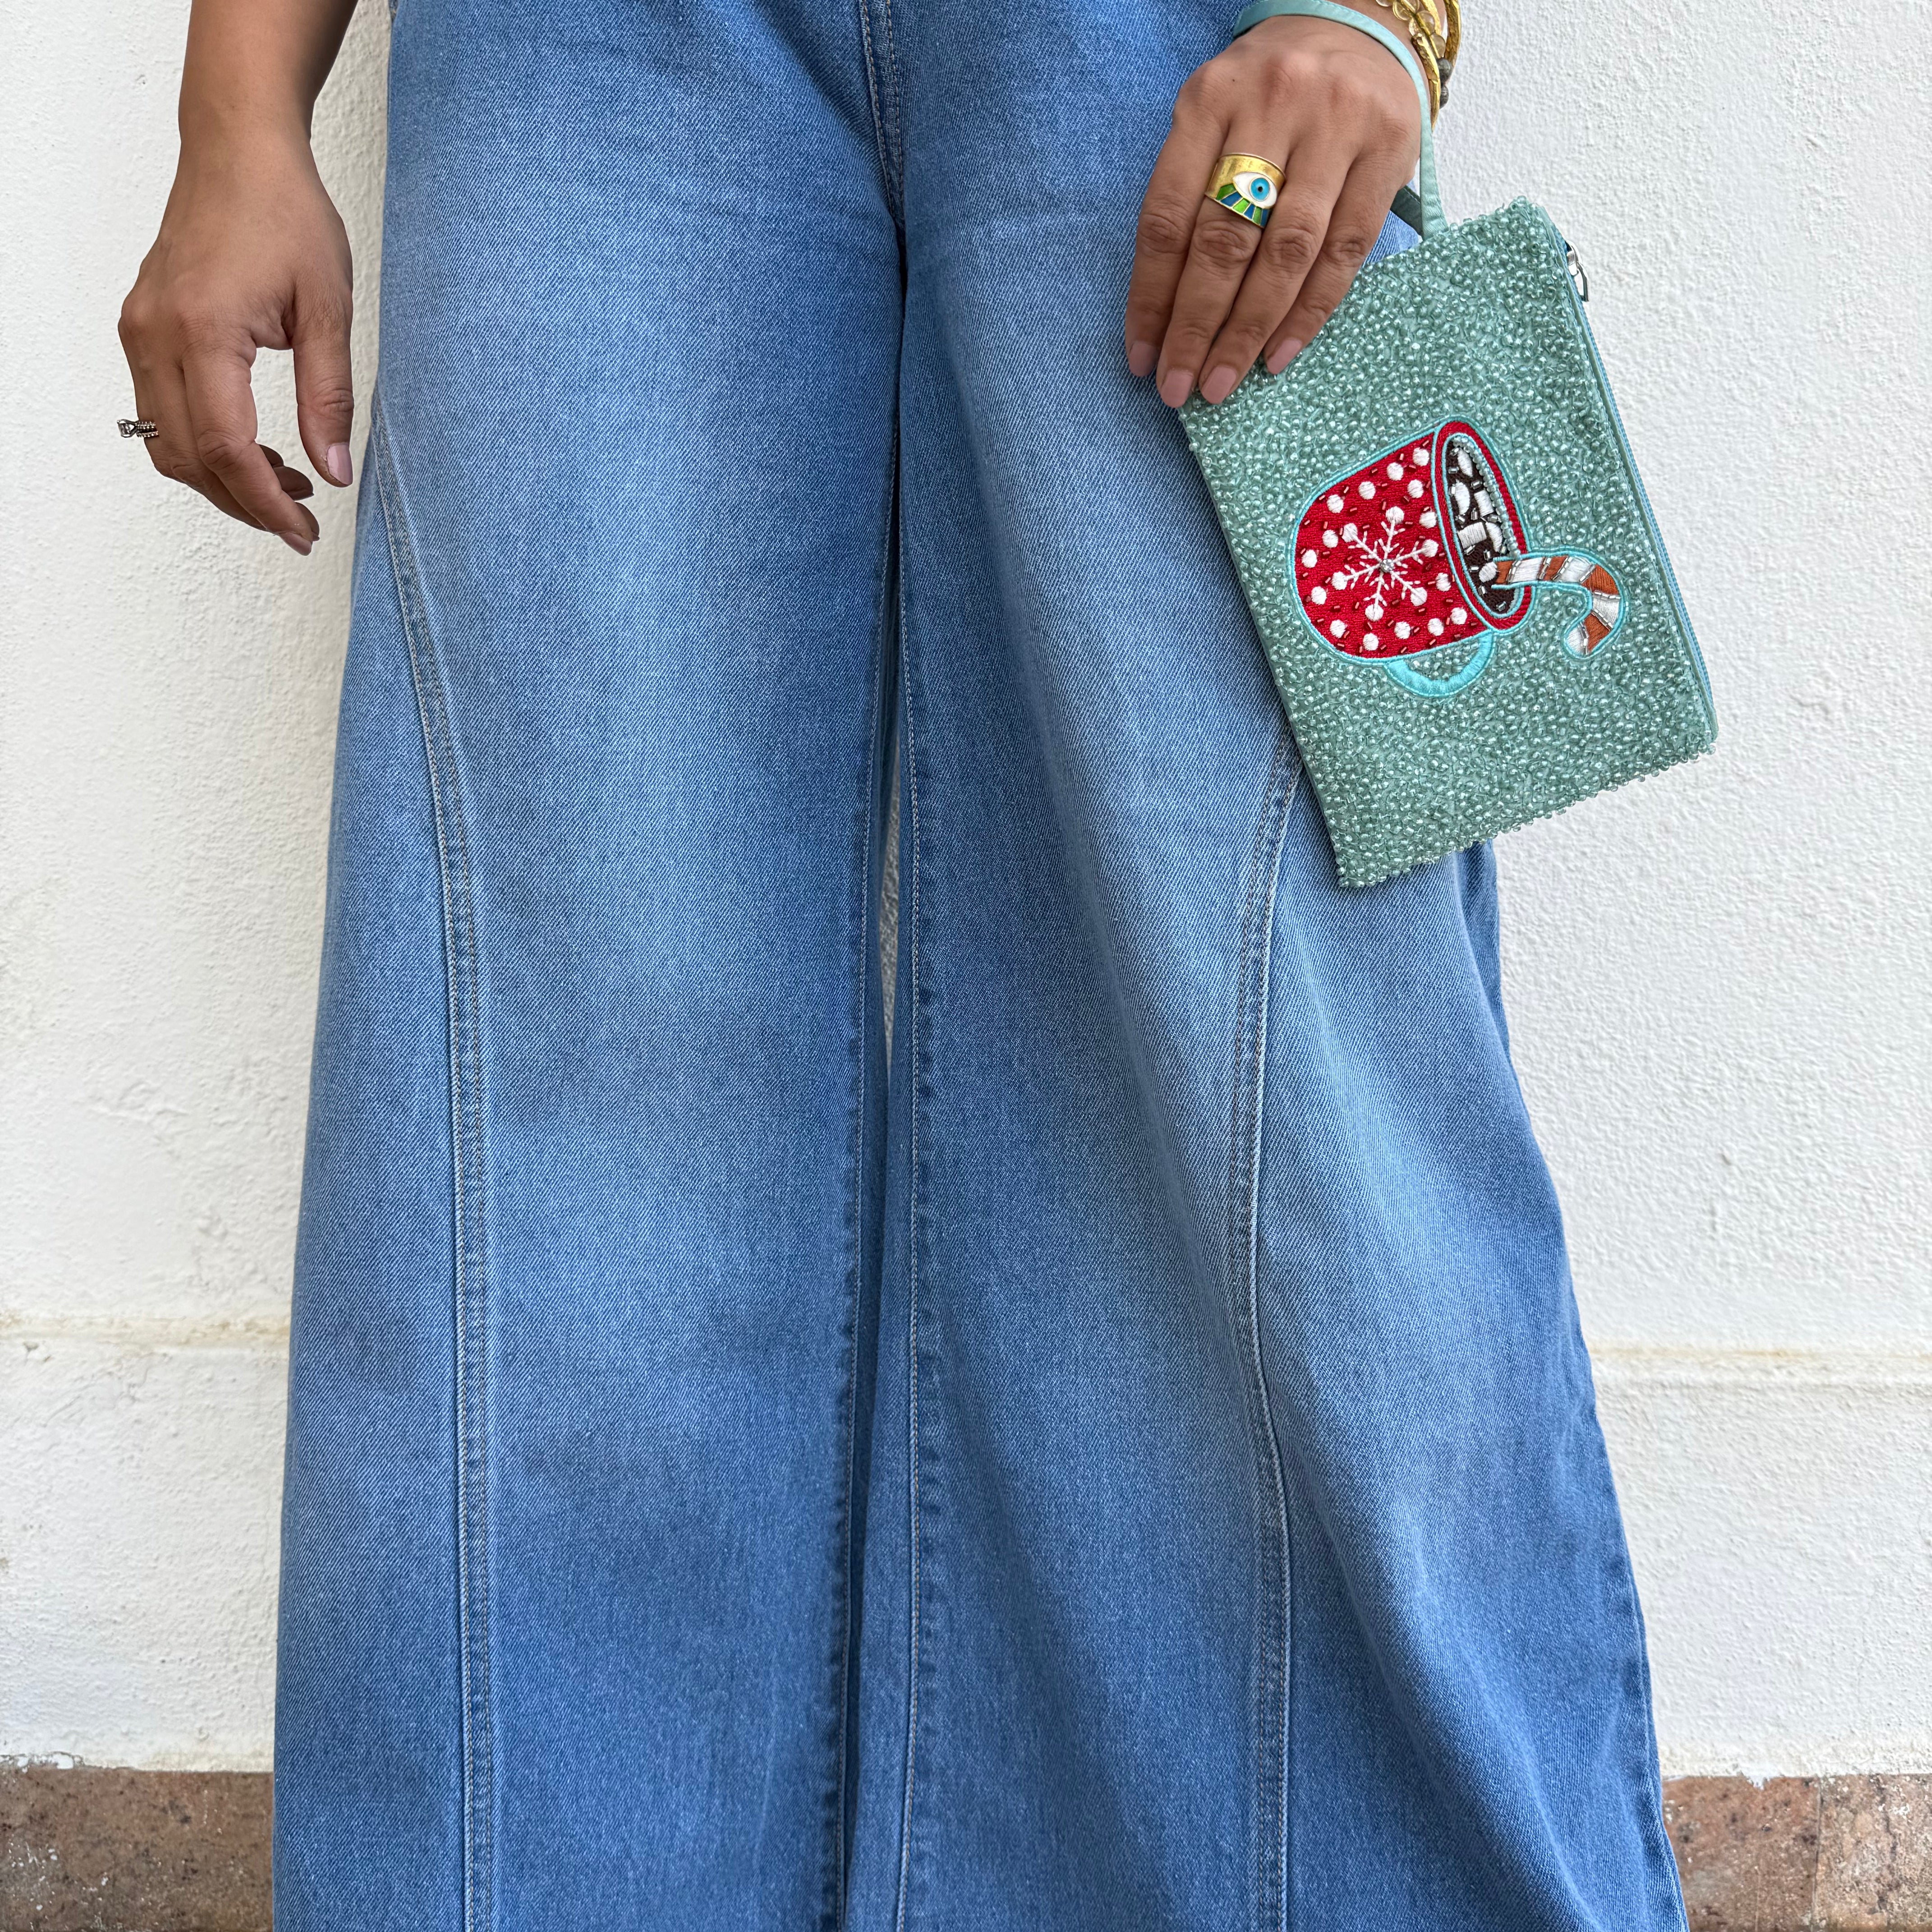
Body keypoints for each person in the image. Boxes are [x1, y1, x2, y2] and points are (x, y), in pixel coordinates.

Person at [119, 1, 1689, 1927]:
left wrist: (1380, 16)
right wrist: (237, 107)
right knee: (548, 1085)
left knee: (1282, 1073)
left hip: (1161, 41)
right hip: (583, 55)